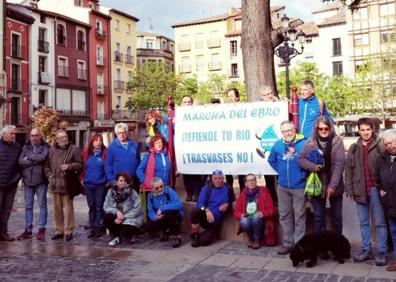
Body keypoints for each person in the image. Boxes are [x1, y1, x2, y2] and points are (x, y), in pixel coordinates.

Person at [344, 118, 387, 266]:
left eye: (368, 129)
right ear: (359, 130)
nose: (365, 132)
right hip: (359, 190)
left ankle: (381, 251)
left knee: (380, 222)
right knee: (363, 223)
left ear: (372, 129)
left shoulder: (380, 145)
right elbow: (348, 170)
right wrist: (349, 189)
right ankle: (366, 249)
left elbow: (387, 167)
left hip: (376, 189)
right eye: (362, 130)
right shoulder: (354, 147)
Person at [298, 116, 345, 235]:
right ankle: (320, 245)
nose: (323, 131)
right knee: (318, 217)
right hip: (317, 186)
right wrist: (313, 167)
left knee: (337, 218)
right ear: (316, 129)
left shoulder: (337, 141)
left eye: (326, 128)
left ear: (330, 128)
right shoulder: (310, 142)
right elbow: (300, 159)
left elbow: (339, 165)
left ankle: (337, 244)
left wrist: (332, 186)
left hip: (335, 184)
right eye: (320, 129)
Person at [268, 121, 307, 255]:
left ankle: (299, 244)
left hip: (299, 186)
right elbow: (271, 160)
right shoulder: (278, 145)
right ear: (281, 133)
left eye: (290, 130)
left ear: (294, 130)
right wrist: (281, 172)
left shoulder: (303, 143)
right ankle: (287, 242)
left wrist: (302, 174)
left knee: (300, 216)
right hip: (283, 186)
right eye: (284, 131)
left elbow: (311, 161)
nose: (288, 133)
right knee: (284, 215)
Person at [44, 129, 82, 241]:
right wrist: (49, 175)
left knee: (69, 210)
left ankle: (69, 231)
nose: (64, 139)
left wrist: (69, 166)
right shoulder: (51, 150)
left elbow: (80, 164)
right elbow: (46, 166)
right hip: (55, 185)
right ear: (56, 140)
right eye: (61, 138)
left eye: (65, 137)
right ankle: (58, 231)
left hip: (67, 184)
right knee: (57, 210)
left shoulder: (74, 149)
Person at [17, 128, 49, 240]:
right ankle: (28, 229)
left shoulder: (45, 147)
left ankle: (41, 229)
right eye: (32, 135)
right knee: (28, 206)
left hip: (41, 180)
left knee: (42, 205)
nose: (34, 138)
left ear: (40, 136)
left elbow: (42, 158)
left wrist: (29, 157)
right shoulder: (25, 147)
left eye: (36, 135)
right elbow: (20, 162)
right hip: (27, 181)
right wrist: (34, 160)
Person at [190, 170, 234, 247]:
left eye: (219, 178)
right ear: (212, 179)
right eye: (215, 178)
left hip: (215, 222)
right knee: (195, 211)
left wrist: (227, 204)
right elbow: (199, 203)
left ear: (223, 178)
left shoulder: (228, 188)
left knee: (203, 242)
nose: (217, 181)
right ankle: (195, 235)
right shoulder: (207, 188)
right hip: (205, 216)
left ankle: (207, 234)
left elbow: (232, 199)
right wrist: (206, 210)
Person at [233, 174, 276, 249]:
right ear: (246, 183)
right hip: (248, 220)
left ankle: (257, 239)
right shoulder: (243, 194)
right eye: (249, 180)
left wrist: (263, 213)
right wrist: (241, 215)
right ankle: (252, 238)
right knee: (243, 221)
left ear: (256, 181)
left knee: (256, 216)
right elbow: (236, 211)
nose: (251, 182)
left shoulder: (263, 192)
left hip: (261, 222)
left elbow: (272, 210)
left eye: (253, 180)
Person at [103, 172, 144, 246]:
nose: (123, 183)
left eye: (125, 181)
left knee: (127, 231)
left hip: (131, 218)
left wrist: (123, 217)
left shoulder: (132, 192)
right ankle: (117, 236)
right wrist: (117, 212)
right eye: (121, 181)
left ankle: (125, 235)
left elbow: (138, 208)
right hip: (118, 216)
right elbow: (106, 206)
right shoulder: (111, 192)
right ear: (116, 182)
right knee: (106, 218)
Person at [180, 95, 205, 202]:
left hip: (196, 148)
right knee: (186, 173)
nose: (187, 104)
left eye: (189, 102)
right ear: (181, 104)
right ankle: (189, 193)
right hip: (184, 149)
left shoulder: (197, 114)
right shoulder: (178, 116)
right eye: (185, 102)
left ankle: (197, 193)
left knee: (196, 172)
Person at [146, 177, 184, 248]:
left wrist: (162, 208)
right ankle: (166, 230)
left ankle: (177, 237)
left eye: (161, 186)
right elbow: (150, 210)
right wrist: (155, 217)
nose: (160, 189)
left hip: (175, 215)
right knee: (149, 226)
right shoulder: (150, 196)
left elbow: (179, 204)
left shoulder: (169, 191)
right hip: (161, 216)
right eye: (157, 188)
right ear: (152, 189)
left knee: (170, 215)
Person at [82, 134, 107, 239]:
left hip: (100, 184)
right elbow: (82, 167)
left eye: (100, 140)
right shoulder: (86, 153)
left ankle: (98, 227)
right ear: (92, 142)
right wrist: (81, 179)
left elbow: (108, 166)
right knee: (91, 206)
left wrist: (108, 180)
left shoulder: (105, 154)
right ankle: (92, 227)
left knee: (99, 206)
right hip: (89, 184)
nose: (98, 142)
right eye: (96, 141)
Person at [378, 129, 396, 271]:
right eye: (386, 144)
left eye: (392, 142)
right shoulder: (382, 158)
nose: (389, 146)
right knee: (394, 233)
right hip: (389, 204)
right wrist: (381, 191)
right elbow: (378, 178)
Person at [0, 125, 21, 241]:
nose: (14, 136)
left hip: (11, 184)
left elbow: (20, 164)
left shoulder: (17, 147)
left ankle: (3, 233)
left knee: (6, 210)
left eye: (14, 134)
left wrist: (17, 178)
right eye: (11, 133)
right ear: (4, 134)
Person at [105, 122, 140, 189]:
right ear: (116, 134)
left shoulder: (134, 145)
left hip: (133, 180)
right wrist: (112, 181)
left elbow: (139, 162)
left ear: (127, 132)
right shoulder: (112, 147)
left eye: (123, 132)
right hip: (119, 182)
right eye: (119, 133)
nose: (122, 135)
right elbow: (108, 165)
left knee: (134, 199)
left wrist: (138, 177)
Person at [225, 87, 245, 192]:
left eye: (232, 96)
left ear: (237, 97)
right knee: (228, 173)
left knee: (242, 173)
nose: (230, 98)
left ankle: (243, 193)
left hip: (240, 145)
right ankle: (230, 194)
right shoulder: (224, 109)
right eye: (228, 96)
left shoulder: (244, 108)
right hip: (228, 145)